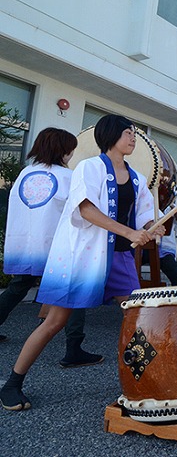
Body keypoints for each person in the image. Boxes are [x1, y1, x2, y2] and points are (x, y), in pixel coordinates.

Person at [0, 115, 164, 411]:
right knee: (54, 322)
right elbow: (86, 209)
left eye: (134, 133)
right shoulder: (88, 167)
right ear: (111, 135)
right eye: (128, 132)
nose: (133, 137)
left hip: (121, 258)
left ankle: (145, 386)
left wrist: (154, 226)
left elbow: (143, 217)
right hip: (81, 256)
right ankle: (12, 384)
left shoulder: (137, 177)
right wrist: (129, 232)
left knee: (139, 320)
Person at [0, 128, 101, 369]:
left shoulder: (26, 173)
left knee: (18, 287)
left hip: (25, 243)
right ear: (63, 150)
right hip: (57, 246)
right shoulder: (68, 177)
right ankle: (73, 348)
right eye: (71, 149)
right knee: (73, 293)